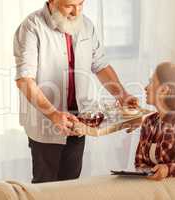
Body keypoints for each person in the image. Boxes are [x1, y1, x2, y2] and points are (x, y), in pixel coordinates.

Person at [13, 0, 138, 183]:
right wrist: (54, 114)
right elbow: (24, 80)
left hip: (79, 120)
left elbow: (101, 65)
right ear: (52, 1)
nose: (76, 11)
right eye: (69, 5)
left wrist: (123, 96)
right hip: (45, 121)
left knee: (71, 183)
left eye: (81, 3)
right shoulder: (31, 27)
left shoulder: (86, 25)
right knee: (45, 185)